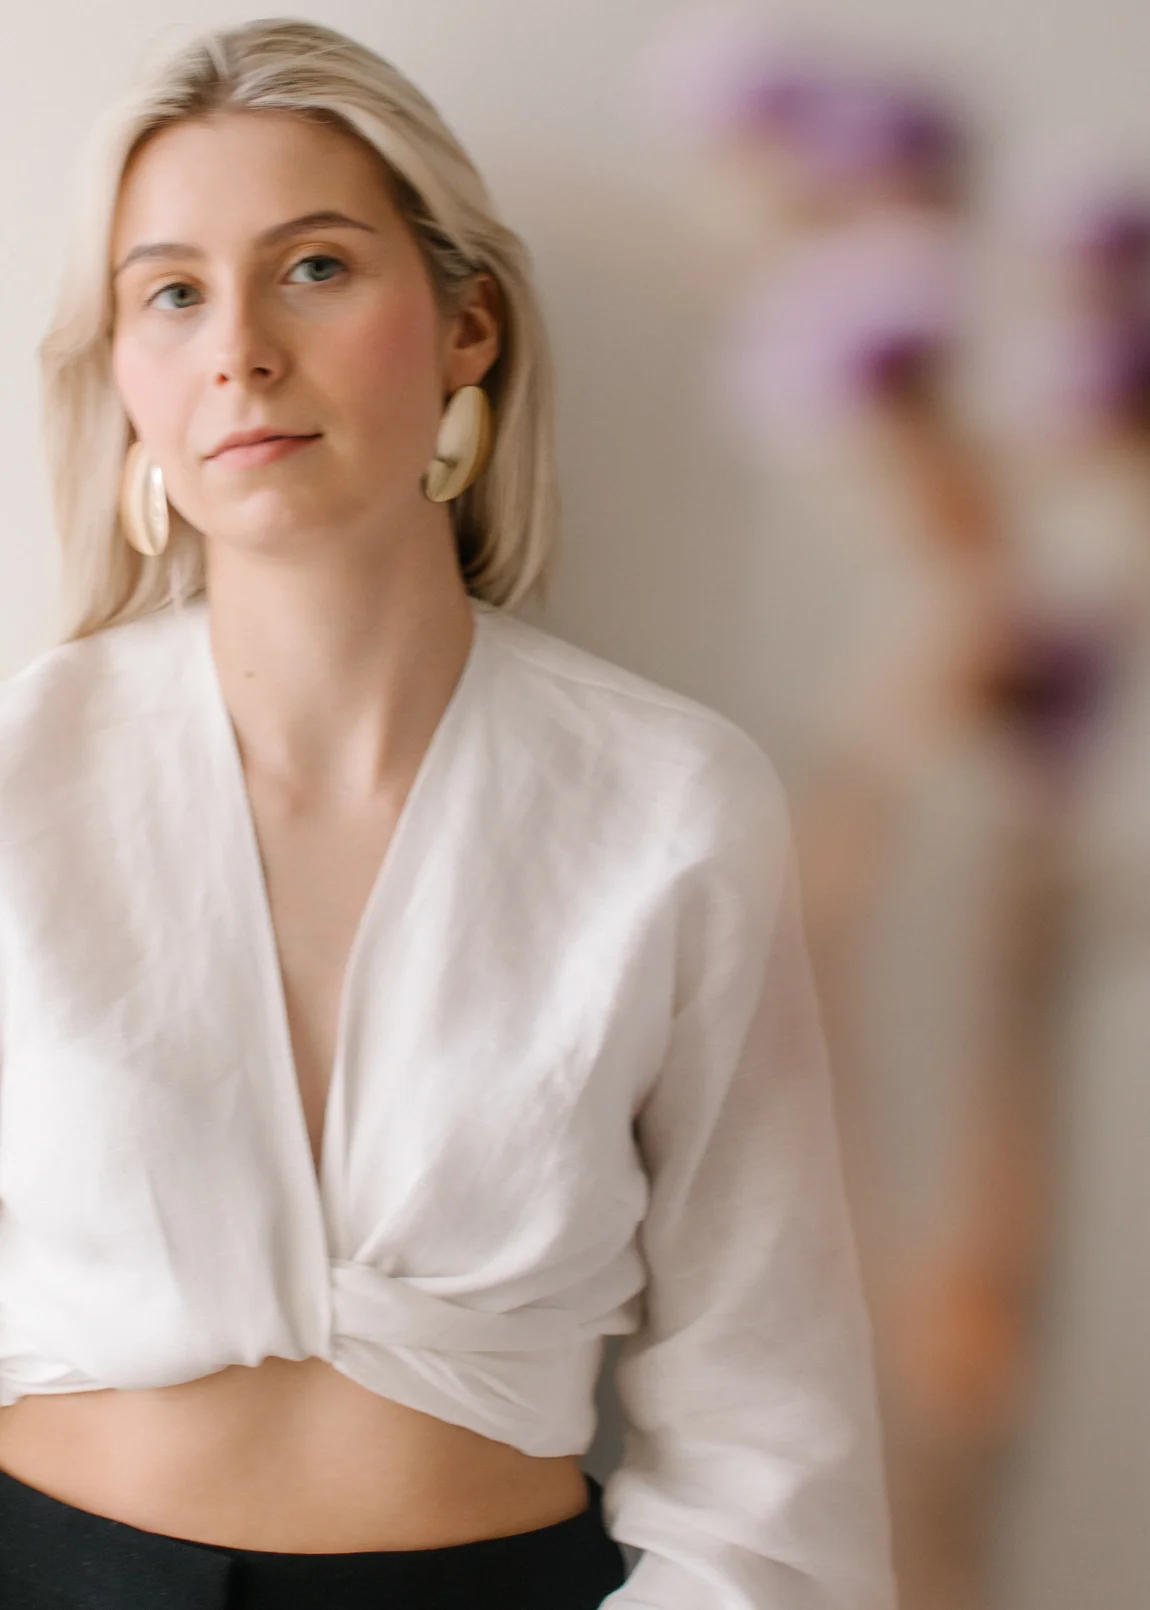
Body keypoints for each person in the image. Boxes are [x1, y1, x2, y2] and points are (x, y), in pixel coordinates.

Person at [0, 18, 897, 1610]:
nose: (238, 352)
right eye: (173, 293)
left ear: (465, 322)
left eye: (315, 268)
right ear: (123, 368)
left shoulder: (669, 805)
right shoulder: (21, 770)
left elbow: (769, 1411)